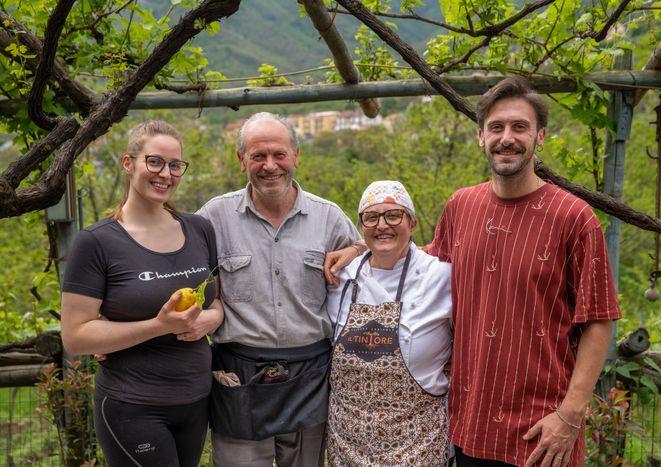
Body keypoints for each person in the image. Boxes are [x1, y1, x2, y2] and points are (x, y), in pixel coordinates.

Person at [326, 77, 621, 467]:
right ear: (481, 137)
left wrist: (569, 414)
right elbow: (419, 259)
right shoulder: (462, 206)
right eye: (496, 127)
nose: (507, 138)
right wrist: (362, 247)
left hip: (541, 430)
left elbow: (599, 320)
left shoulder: (573, 218)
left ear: (541, 136)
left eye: (520, 127)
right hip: (469, 426)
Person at [196, 112, 359, 467]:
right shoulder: (213, 218)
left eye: (279, 155)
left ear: (296, 156)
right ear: (242, 161)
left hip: (310, 374)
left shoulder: (329, 217)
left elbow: (382, 261)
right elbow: (178, 275)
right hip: (238, 374)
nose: (270, 166)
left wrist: (357, 249)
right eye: (258, 156)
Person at [60, 120, 224, 467]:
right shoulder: (97, 241)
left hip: (195, 400)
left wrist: (210, 318)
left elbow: (217, 302)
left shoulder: (200, 229)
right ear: (128, 163)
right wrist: (159, 325)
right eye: (155, 162)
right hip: (132, 405)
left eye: (175, 165)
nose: (165, 173)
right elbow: (75, 337)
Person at [325, 180, 452, 466]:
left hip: (418, 443)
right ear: (361, 227)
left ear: (413, 223)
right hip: (347, 442)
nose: (382, 225)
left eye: (394, 215)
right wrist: (356, 250)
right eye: (371, 217)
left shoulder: (441, 277)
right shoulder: (340, 276)